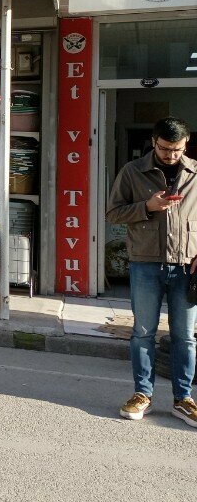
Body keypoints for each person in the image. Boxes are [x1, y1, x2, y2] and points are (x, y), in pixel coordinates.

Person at [106, 117, 197, 426]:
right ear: (153, 142)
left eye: (177, 149)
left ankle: (183, 399)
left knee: (185, 337)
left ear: (186, 144)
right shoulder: (132, 171)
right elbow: (113, 213)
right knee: (143, 333)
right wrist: (148, 206)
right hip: (145, 264)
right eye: (164, 148)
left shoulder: (195, 172)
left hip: (186, 265)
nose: (171, 155)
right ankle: (142, 394)